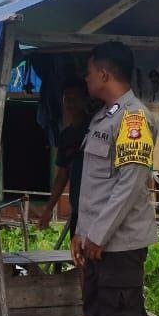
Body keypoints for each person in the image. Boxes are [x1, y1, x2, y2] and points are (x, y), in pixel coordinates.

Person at [57, 42, 158, 316]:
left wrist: (98, 235)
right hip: (96, 239)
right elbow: (93, 186)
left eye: (89, 72)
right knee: (98, 309)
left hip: (120, 242)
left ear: (103, 74)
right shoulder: (104, 117)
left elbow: (129, 185)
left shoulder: (133, 119)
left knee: (123, 314)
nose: (85, 79)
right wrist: (81, 234)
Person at [36, 80, 90, 236]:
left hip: (98, 211)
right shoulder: (66, 135)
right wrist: (49, 208)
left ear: (85, 100)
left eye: (76, 98)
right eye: (67, 98)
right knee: (77, 250)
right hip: (77, 210)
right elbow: (62, 174)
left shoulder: (96, 128)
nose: (71, 103)